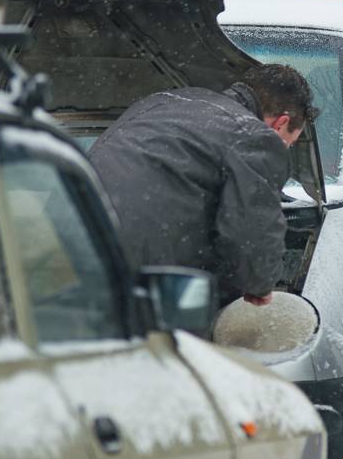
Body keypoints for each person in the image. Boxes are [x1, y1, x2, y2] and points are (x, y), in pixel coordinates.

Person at [88, 64, 317, 309]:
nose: (285, 148)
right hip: (133, 272)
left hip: (69, 240)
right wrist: (260, 282)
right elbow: (248, 234)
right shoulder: (254, 136)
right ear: (281, 123)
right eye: (289, 143)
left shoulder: (164, 100)